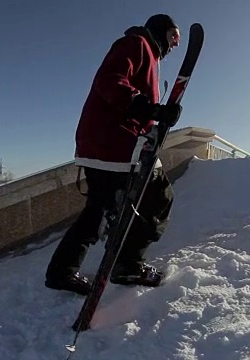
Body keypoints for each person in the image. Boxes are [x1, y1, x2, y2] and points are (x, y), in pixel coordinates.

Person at [45, 14, 183, 296]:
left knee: (97, 210)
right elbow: (110, 81)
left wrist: (155, 115)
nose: (174, 45)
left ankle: (61, 272)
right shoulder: (137, 43)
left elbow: (133, 102)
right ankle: (129, 264)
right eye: (173, 37)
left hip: (99, 144)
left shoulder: (145, 53)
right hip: (115, 142)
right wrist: (149, 109)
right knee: (159, 196)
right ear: (160, 30)